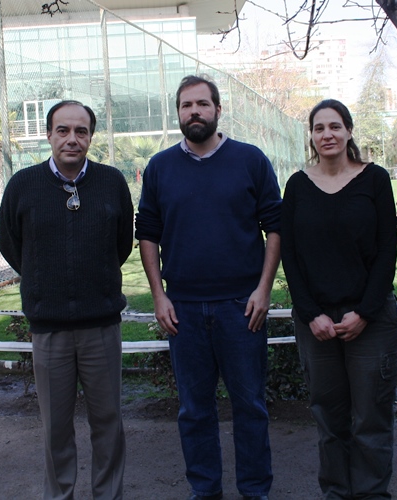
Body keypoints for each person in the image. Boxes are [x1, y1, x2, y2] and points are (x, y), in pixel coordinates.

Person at [135, 75, 281, 500]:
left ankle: (255, 491)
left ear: (219, 109)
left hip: (242, 308)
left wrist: (264, 289)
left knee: (251, 408)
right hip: (184, 310)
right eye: (185, 105)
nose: (193, 111)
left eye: (202, 103)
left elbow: (274, 227)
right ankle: (205, 491)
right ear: (177, 113)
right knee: (194, 412)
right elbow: (147, 232)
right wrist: (159, 294)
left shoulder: (250, 160)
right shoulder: (161, 167)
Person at [0, 100, 133, 499]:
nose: (72, 139)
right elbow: (11, 245)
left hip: (101, 326)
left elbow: (120, 244)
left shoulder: (112, 183)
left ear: (90, 136)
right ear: (49, 135)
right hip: (50, 329)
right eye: (63, 130)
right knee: (56, 427)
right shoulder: (23, 184)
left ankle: (108, 494)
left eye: (81, 131)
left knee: (108, 422)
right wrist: (44, 279)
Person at [281, 99, 397, 499]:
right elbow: (290, 255)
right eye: (319, 128)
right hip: (317, 324)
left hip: (369, 321)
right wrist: (309, 313)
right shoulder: (297, 185)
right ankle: (335, 492)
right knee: (329, 422)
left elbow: (388, 249)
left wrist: (365, 312)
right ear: (311, 136)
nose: (327, 134)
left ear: (349, 131)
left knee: (371, 421)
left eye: (335, 126)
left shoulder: (374, 179)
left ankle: (371, 494)